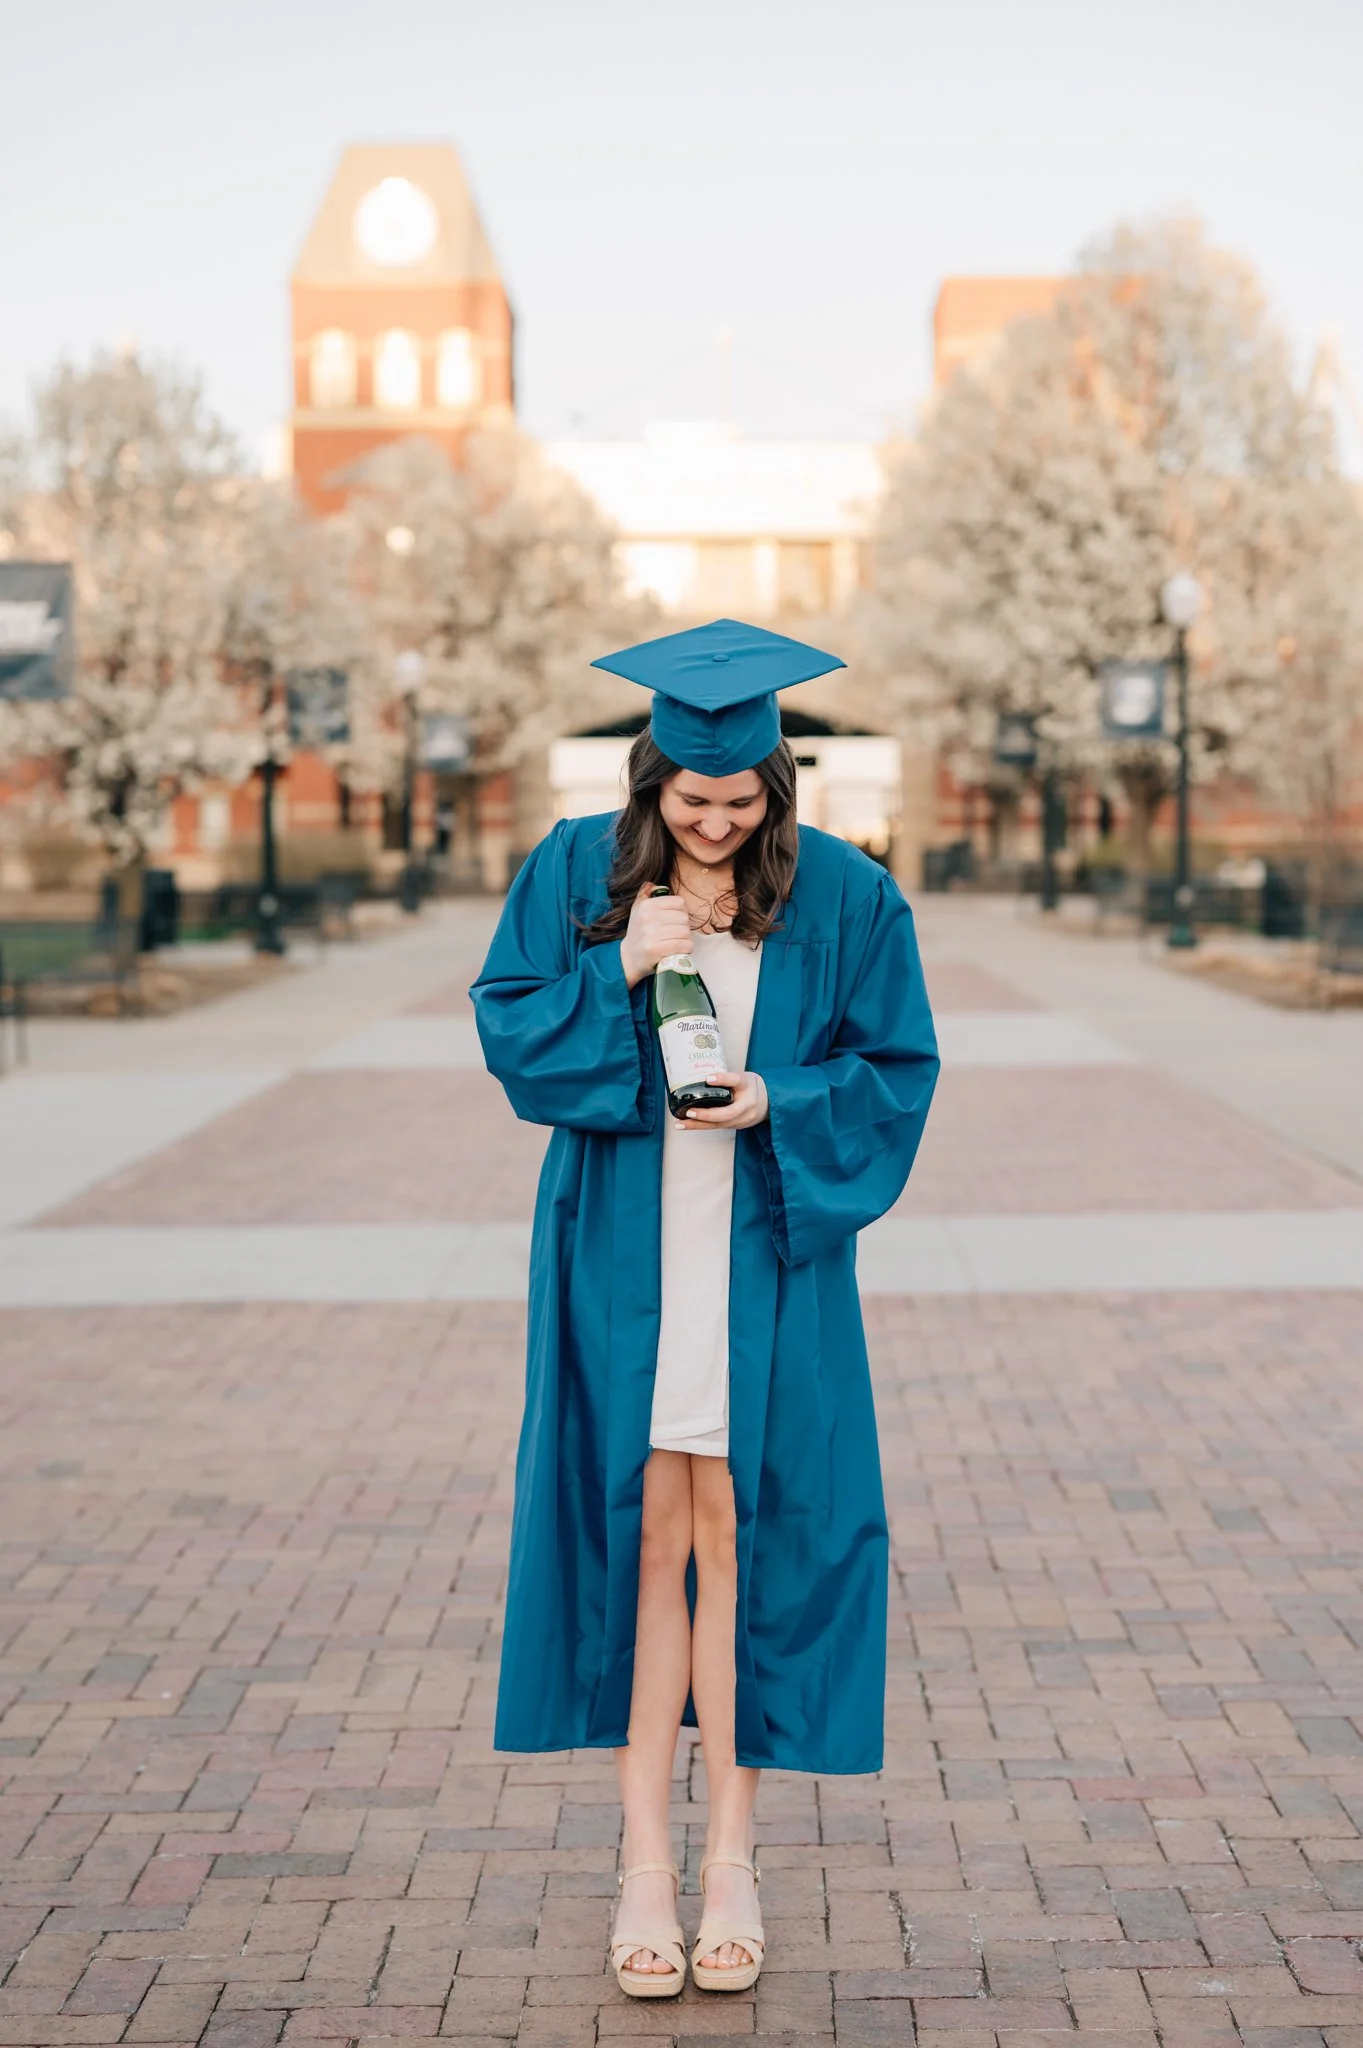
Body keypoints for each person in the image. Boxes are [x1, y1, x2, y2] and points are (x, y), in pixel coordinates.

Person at [471, 618, 939, 1999]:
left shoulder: (848, 897)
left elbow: (898, 1069)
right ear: (649, 781)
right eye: (692, 801)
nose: (718, 822)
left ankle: (730, 1856)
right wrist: (617, 963)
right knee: (635, 1533)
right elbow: (507, 1027)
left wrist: (779, 1097)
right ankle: (639, 1866)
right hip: (621, 1242)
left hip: (761, 1253)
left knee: (739, 1530)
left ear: (775, 788)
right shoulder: (572, 873)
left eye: (741, 802)